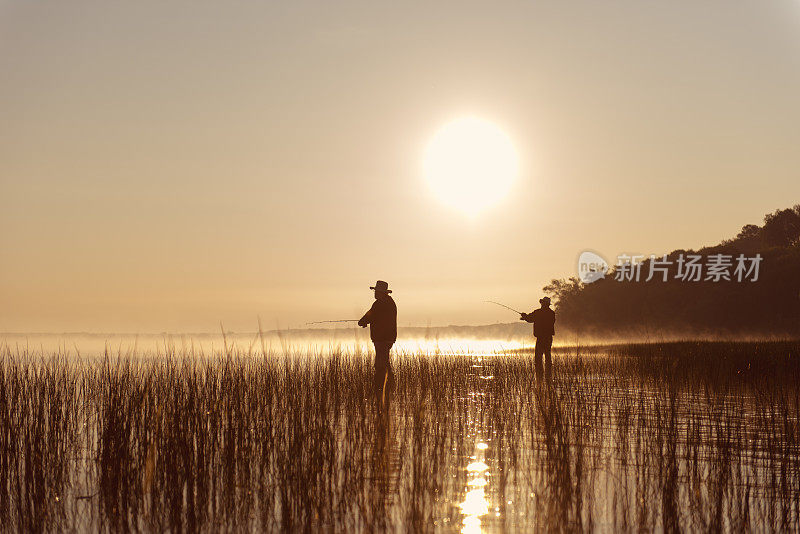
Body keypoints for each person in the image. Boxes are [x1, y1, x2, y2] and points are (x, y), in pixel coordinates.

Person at [358, 280, 397, 405]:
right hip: (388, 338)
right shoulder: (390, 303)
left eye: (376, 291)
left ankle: (380, 388)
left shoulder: (379, 303)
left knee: (380, 365)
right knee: (384, 362)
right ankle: (389, 386)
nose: (374, 293)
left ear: (381, 292)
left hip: (382, 339)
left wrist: (362, 322)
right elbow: (375, 317)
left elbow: (370, 316)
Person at [520, 296, 555, 378]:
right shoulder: (551, 313)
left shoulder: (538, 312)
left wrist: (524, 316)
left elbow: (529, 319)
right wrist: (525, 317)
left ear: (543, 303)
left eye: (542, 303)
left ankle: (539, 375)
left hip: (541, 338)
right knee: (548, 356)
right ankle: (548, 374)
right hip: (549, 338)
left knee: (538, 358)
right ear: (548, 304)